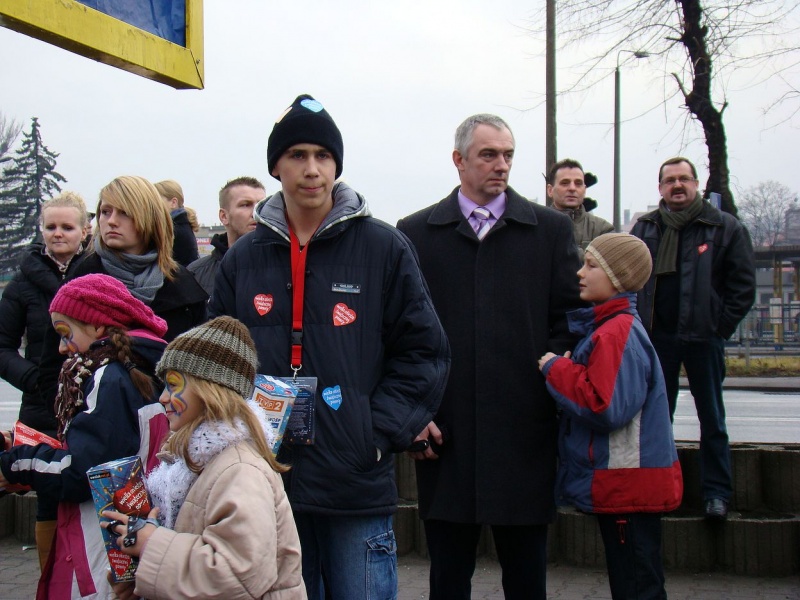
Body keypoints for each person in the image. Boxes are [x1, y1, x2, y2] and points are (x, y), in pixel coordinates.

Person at [210, 94, 450, 600]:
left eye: (323, 156)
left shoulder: (383, 247)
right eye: (297, 155)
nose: (312, 169)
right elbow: (218, 359)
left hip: (355, 481)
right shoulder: (243, 257)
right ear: (275, 165)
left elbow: (423, 351)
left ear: (337, 164)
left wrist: (376, 433)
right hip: (268, 477)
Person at [396, 114, 583, 600]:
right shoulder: (416, 233)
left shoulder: (549, 231)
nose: (501, 165)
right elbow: (399, 333)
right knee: (448, 580)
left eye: (508, 155)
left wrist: (548, 372)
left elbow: (569, 319)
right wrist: (415, 414)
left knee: (527, 579)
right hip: (445, 436)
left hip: (525, 433)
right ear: (459, 160)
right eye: (488, 155)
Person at [101, 316, 307, 599]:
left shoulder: (240, 469)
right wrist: (142, 577)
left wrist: (151, 545)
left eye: (173, 385)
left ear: (211, 391)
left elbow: (238, 574)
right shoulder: (191, 461)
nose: (162, 398)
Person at [0, 273, 170, 599]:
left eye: (66, 334)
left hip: (101, 538)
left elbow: (83, 470)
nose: (63, 348)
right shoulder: (144, 367)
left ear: (97, 326)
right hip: (134, 525)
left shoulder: (108, 375)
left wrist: (15, 464)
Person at [538, 233, 683, 600]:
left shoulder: (616, 332)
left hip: (627, 485)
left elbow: (605, 406)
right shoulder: (612, 327)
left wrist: (555, 368)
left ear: (617, 276)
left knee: (636, 585)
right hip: (627, 484)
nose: (580, 273)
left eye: (591, 265)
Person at [631, 157, 756, 520]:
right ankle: (660, 490)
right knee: (657, 419)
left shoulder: (724, 227)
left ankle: (716, 494)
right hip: (658, 341)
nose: (677, 186)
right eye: (670, 180)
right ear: (660, 188)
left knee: (712, 418)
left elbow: (742, 286)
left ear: (696, 183)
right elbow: (630, 276)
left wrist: (720, 326)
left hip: (704, 339)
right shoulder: (646, 228)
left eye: (684, 179)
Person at [0, 191, 90, 571]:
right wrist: (33, 379)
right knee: (49, 495)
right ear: (41, 230)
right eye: (51, 226)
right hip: (41, 404)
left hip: (90, 399)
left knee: (87, 487)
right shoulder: (22, 284)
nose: (58, 234)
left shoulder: (98, 273)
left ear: (85, 232)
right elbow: (2, 345)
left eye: (67, 227)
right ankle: (49, 580)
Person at [188, 176, 266, 296]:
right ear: (224, 216)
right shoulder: (195, 274)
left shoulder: (286, 267)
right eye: (245, 205)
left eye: (262, 205)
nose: (256, 213)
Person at [547, 158, 614, 261]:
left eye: (578, 183)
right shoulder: (537, 226)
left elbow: (609, 266)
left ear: (584, 189)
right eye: (565, 183)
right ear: (550, 190)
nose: (572, 188)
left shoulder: (602, 229)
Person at [155, 179, 199, 266]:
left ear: (173, 202)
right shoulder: (182, 226)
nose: (153, 206)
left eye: (157, 201)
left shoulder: (174, 231)